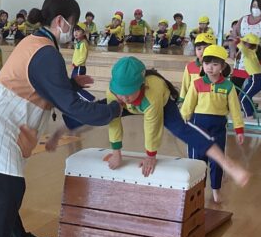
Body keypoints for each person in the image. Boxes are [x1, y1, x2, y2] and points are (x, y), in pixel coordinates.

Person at [0, 0, 121, 237]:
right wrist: (113, 110)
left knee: (6, 189)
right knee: (10, 191)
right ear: (60, 21)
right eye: (72, 23)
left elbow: (43, 84)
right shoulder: (46, 53)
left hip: (0, 120)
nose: (73, 29)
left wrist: (70, 84)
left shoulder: (37, 42)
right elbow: (71, 106)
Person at [104, 56, 249, 186]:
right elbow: (114, 121)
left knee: (182, 130)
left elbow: (152, 126)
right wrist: (116, 152)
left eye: (128, 93)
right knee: (102, 112)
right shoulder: (113, 93)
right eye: (120, 93)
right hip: (133, 107)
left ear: (142, 85)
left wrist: (150, 155)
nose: (124, 97)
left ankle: (226, 163)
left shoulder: (152, 92)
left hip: (161, 104)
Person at [180, 44, 250, 202]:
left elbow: (235, 110)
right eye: (206, 63)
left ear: (222, 67)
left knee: (217, 161)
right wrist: (181, 122)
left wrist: (239, 129)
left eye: (215, 64)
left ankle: (216, 190)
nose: (210, 68)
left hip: (218, 127)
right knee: (196, 162)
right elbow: (187, 106)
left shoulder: (228, 86)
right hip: (197, 125)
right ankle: (197, 191)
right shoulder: (197, 84)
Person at [235, 33, 261, 118]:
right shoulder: (251, 52)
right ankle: (251, 113)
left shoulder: (249, 52)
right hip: (256, 78)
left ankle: (249, 115)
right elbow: (243, 49)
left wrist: (238, 42)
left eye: (245, 42)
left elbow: (243, 48)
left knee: (243, 98)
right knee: (246, 96)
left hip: (256, 79)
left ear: (250, 45)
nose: (243, 44)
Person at [181, 33, 215, 101]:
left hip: (211, 101)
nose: (202, 51)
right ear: (195, 50)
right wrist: (182, 99)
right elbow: (185, 86)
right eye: (199, 49)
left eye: (206, 48)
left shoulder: (217, 67)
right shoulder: (190, 67)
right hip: (193, 100)